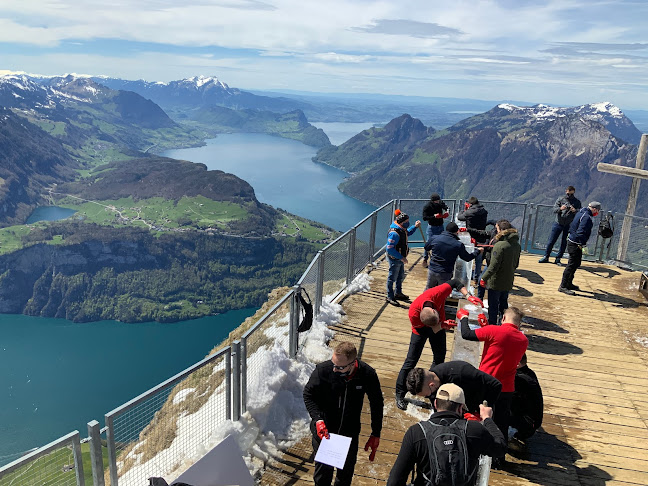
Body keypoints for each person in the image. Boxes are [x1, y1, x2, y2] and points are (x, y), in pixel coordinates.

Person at [386, 383, 506, 486]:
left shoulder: (416, 432)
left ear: (436, 404)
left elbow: (394, 481)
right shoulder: (474, 430)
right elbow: (500, 448)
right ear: (460, 408)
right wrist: (487, 419)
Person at [303, 342, 384, 486]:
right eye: (333, 363)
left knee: (345, 477)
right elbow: (308, 394)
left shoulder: (367, 374)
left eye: (340, 367)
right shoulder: (323, 370)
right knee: (322, 476)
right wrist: (317, 419)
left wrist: (375, 432)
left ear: (353, 363)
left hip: (349, 434)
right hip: (324, 432)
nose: (334, 369)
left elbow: (376, 403)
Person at [394, 280, 483, 410]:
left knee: (439, 358)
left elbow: (455, 283)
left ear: (434, 310)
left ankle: (432, 391)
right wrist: (441, 325)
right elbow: (424, 330)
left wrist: (468, 296)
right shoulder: (413, 313)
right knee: (411, 360)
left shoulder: (437, 293)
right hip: (420, 331)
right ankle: (400, 394)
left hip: (439, 327)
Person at [458, 306, 529, 445]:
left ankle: (475, 445)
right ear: (519, 323)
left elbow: (466, 334)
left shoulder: (494, 330)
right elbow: (504, 346)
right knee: (502, 422)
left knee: (478, 414)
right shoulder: (524, 340)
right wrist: (486, 327)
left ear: (503, 318)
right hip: (507, 387)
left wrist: (463, 318)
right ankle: (499, 454)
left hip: (486, 383)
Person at [406, 361, 502, 415]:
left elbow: (496, 385)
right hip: (463, 410)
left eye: (428, 395)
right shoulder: (432, 387)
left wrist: (483, 410)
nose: (430, 397)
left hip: (481, 406)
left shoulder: (461, 372)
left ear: (432, 385)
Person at [479, 220, 521, 326]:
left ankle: (492, 325)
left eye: (497, 229)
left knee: (493, 305)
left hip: (496, 281)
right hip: (508, 279)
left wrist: (484, 278)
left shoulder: (500, 245)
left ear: (501, 230)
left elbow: (493, 266)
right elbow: (516, 264)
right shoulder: (516, 245)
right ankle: (506, 324)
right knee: (503, 303)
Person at [423, 221, 483, 289]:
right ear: (456, 232)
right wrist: (477, 251)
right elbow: (467, 258)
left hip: (432, 269)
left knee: (428, 290)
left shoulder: (435, 238)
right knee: (442, 292)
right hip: (445, 272)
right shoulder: (458, 245)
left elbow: (426, 247)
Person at [558, 201, 601, 295]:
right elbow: (582, 231)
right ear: (594, 209)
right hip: (576, 243)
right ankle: (563, 286)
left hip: (572, 240)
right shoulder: (586, 217)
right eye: (597, 210)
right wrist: (582, 244)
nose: (597, 212)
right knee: (571, 264)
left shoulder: (581, 211)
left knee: (576, 263)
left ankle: (569, 283)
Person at [539, 186, 582, 265]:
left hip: (569, 225)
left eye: (571, 194)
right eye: (568, 194)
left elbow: (580, 213)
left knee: (564, 242)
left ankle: (558, 259)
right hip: (558, 223)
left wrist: (574, 210)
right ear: (566, 191)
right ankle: (546, 256)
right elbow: (554, 209)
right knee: (551, 240)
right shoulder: (560, 199)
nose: (569, 196)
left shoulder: (577, 202)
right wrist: (561, 208)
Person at [386, 210, 421, 305]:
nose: (408, 223)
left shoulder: (401, 229)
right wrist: (401, 257)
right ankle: (390, 296)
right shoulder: (394, 233)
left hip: (400, 257)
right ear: (402, 222)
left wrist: (415, 227)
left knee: (400, 275)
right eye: (407, 222)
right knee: (392, 277)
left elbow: (407, 233)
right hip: (395, 258)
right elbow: (389, 248)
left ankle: (398, 293)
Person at [510, 353, 543, 440]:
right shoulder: (529, 373)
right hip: (532, 422)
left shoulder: (519, 380)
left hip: (523, 428)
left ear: (517, 364)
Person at [458, 196, 489, 283]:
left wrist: (464, 210)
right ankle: (476, 277)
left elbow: (460, 217)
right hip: (481, 236)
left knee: (467, 255)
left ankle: (465, 276)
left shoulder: (470, 211)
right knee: (479, 259)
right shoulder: (484, 211)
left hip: (471, 237)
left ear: (470, 204)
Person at [421, 193, 449, 268]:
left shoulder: (440, 203)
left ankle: (437, 259)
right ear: (432, 201)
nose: (437, 202)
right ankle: (425, 259)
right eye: (436, 201)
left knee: (440, 243)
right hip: (432, 227)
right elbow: (424, 217)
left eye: (438, 201)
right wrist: (434, 216)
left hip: (440, 226)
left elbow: (446, 207)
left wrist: (447, 212)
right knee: (429, 243)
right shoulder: (427, 206)